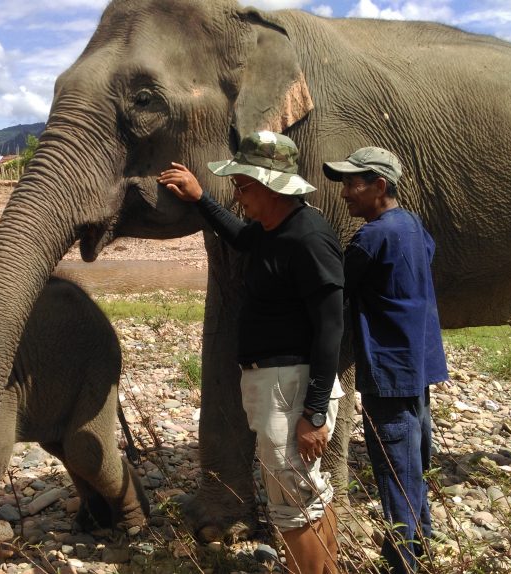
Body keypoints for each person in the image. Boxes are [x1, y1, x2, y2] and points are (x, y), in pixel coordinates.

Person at [159, 131, 344, 574]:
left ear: (270, 186)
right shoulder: (272, 230)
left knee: (291, 503)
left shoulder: (309, 238)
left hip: (292, 388)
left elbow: (330, 328)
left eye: (242, 187)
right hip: (278, 384)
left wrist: (314, 412)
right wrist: (202, 199)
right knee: (309, 493)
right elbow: (241, 237)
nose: (238, 196)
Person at [323, 147, 449, 573]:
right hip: (417, 362)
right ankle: (422, 541)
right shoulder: (412, 225)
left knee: (395, 467)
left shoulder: (372, 236)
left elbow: (336, 285)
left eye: (351, 184)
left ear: (379, 186)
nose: (344, 194)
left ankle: (404, 559)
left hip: (388, 368)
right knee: (415, 458)